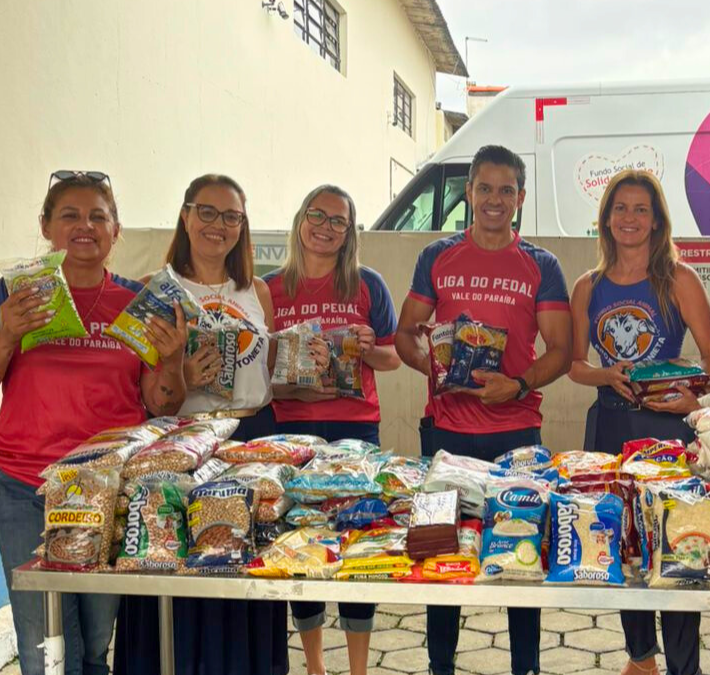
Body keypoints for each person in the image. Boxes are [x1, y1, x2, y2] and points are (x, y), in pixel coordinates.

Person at [0, 171, 188, 675]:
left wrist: (170, 362)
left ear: (115, 230)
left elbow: (163, 404)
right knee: (43, 644)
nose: (85, 226)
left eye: (98, 216)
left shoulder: (137, 304)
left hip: (109, 489)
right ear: (45, 226)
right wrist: (5, 336)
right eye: (70, 215)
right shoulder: (16, 296)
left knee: (95, 642)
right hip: (26, 489)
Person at [393, 145, 572, 675]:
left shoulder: (542, 265)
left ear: (520, 197)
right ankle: (440, 666)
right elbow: (405, 334)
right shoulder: (436, 257)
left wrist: (517, 385)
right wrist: (430, 362)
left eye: (507, 190)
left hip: (518, 435)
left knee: (522, 561)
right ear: (468, 193)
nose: (495, 200)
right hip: (446, 435)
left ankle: (526, 667)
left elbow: (561, 351)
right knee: (437, 555)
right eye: (485, 188)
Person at [113, 174, 287, 675]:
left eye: (232, 216)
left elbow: (270, 373)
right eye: (206, 212)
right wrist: (181, 374)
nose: (219, 225)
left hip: (252, 439)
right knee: (181, 568)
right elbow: (151, 399)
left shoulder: (256, 289)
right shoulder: (156, 290)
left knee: (246, 574)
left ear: (243, 226)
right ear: (186, 216)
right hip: (182, 448)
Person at [567, 170, 710, 675]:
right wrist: (605, 374)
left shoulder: (678, 279)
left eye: (640, 209)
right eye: (620, 208)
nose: (629, 218)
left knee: (679, 546)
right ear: (606, 219)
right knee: (621, 544)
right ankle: (640, 658)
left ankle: (685, 666)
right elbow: (574, 365)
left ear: (657, 221)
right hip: (608, 429)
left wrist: (688, 401)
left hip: (668, 433)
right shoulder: (587, 286)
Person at [265, 184, 400, 675]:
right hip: (293, 435)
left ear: (349, 233)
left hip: (355, 433)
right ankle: (316, 666)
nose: (325, 227)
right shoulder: (270, 289)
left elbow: (392, 356)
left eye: (338, 221)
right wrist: (292, 393)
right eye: (317, 216)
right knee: (303, 551)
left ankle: (359, 668)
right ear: (300, 220)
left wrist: (366, 349)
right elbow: (256, 374)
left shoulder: (368, 285)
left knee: (357, 546)